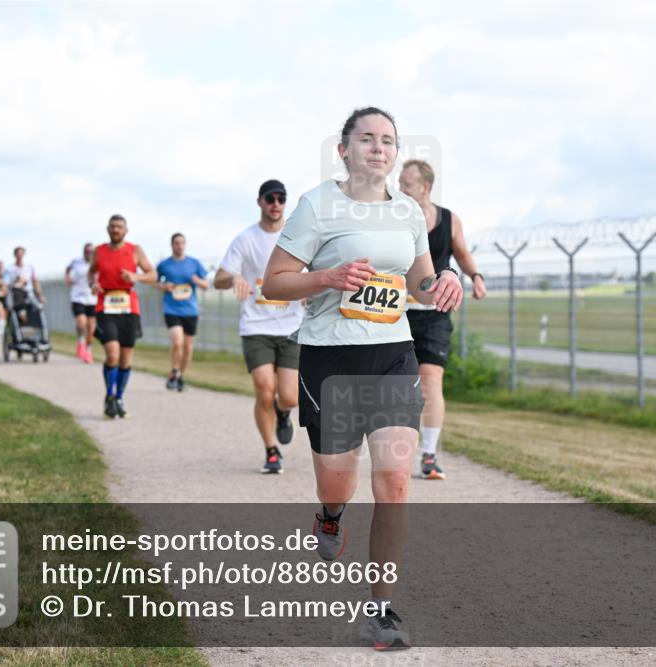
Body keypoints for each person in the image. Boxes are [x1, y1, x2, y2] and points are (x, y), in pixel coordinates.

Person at [262, 107, 463, 650]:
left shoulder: (407, 212)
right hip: (331, 360)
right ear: (344, 149)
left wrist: (442, 283)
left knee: (394, 481)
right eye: (367, 139)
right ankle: (330, 515)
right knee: (337, 480)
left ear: (396, 153)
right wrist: (326, 277)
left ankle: (381, 610)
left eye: (388, 141)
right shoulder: (316, 206)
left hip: (393, 353)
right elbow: (274, 282)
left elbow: (418, 280)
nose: (378, 148)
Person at [398, 159, 487, 480]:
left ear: (425, 187)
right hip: (398, 312)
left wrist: (475, 275)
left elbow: (461, 253)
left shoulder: (450, 220)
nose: (400, 189)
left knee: (431, 380)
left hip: (436, 313)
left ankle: (429, 455)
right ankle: (391, 449)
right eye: (399, 184)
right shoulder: (394, 218)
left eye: (406, 184)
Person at [214, 179, 305, 474]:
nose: (275, 204)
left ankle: (283, 413)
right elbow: (219, 278)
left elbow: (314, 272)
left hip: (291, 327)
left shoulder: (296, 238)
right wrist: (234, 279)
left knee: (289, 396)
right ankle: (271, 451)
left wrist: (308, 292)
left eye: (281, 198)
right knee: (265, 390)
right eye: (270, 198)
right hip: (256, 327)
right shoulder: (245, 239)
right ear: (260, 202)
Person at [90, 214, 157, 418]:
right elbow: (91, 272)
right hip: (106, 305)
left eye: (119, 227)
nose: (116, 230)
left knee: (125, 358)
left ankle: (119, 397)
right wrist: (93, 284)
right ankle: (109, 396)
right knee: (112, 354)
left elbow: (152, 275)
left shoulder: (135, 250)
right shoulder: (99, 251)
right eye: (112, 226)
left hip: (129, 307)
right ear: (107, 229)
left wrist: (136, 276)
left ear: (126, 230)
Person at [155, 233, 208, 391]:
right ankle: (174, 370)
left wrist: (197, 281)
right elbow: (154, 281)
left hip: (190, 310)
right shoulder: (164, 265)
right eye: (176, 243)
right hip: (171, 309)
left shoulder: (194, 263)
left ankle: (179, 376)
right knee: (177, 342)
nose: (179, 246)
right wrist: (164, 287)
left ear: (185, 245)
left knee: (188, 347)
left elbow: (206, 284)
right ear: (172, 245)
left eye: (182, 243)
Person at [66, 243, 98, 363]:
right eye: (87, 251)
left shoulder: (96, 263)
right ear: (83, 251)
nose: (88, 254)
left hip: (92, 298)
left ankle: (88, 351)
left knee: (91, 327)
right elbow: (68, 269)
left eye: (91, 252)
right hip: (78, 297)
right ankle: (80, 341)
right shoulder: (76, 261)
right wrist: (67, 277)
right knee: (81, 323)